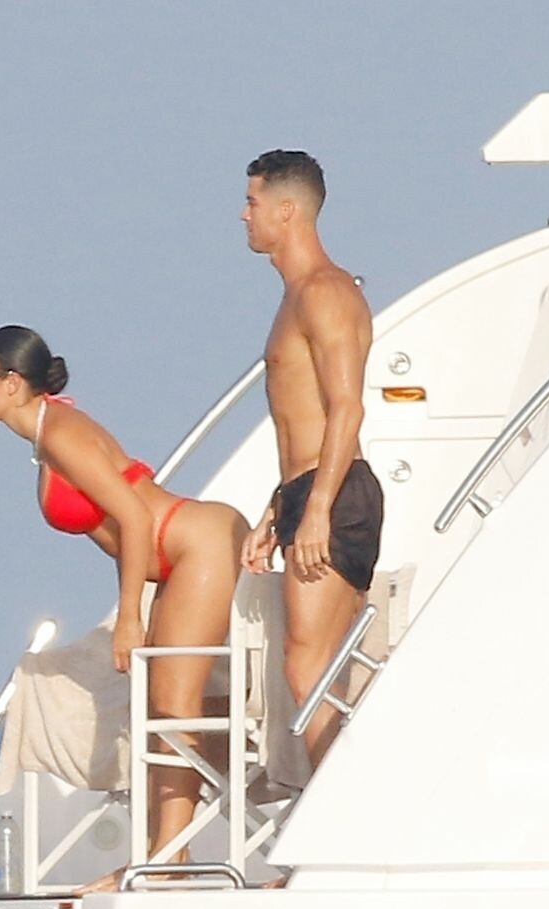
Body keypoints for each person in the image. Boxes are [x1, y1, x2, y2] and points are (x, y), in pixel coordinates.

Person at [0, 325, 251, 893]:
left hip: (194, 543)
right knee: (159, 709)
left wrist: (128, 617)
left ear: (14, 382)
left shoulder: (60, 433)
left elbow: (135, 516)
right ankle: (166, 854)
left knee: (171, 708)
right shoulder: (50, 430)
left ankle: (168, 858)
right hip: (178, 553)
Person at [236, 150, 381, 769]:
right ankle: (342, 800)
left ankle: (340, 807)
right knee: (315, 669)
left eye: (253, 202)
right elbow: (303, 420)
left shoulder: (325, 292)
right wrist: (278, 510)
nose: (244, 215)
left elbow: (347, 408)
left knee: (308, 666)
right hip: (306, 491)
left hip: (335, 493)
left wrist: (318, 509)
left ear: (287, 210)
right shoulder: (295, 296)